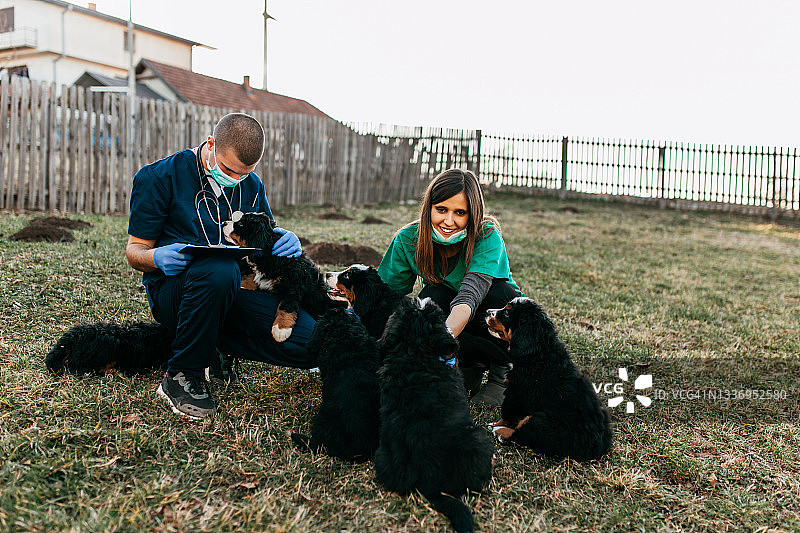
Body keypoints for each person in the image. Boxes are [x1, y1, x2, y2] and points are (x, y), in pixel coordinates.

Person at [127, 112, 315, 420]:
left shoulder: (252, 185)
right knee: (218, 269)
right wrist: (156, 258)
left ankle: (213, 346)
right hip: (178, 293)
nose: (236, 179)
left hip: (235, 291)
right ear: (211, 144)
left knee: (310, 341)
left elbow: (265, 238)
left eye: (245, 173)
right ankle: (182, 374)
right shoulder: (160, 177)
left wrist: (286, 240)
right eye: (229, 170)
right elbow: (135, 251)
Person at [377, 168, 523, 406]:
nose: (448, 221)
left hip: (489, 324)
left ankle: (501, 378)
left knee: (501, 295)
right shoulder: (408, 239)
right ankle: (465, 369)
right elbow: (383, 297)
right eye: (441, 209)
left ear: (472, 214)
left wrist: (440, 340)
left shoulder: (486, 235)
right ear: (429, 208)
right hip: (457, 333)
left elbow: (468, 297)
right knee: (432, 297)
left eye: (460, 212)